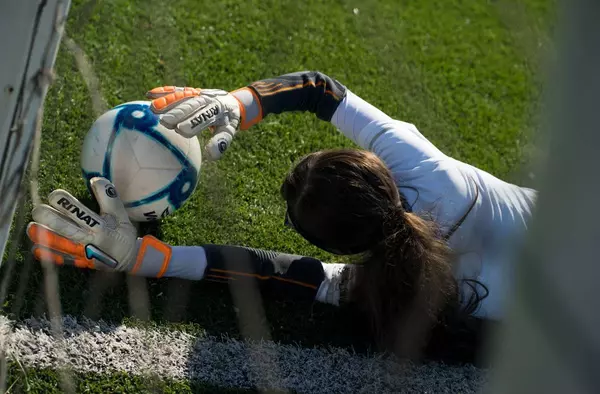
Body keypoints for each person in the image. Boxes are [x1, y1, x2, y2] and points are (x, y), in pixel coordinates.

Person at [26, 71, 536, 358]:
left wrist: (145, 257)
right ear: (374, 169)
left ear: (340, 247)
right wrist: (235, 103)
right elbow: (321, 88)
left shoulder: (392, 290)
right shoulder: (431, 175)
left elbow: (273, 272)